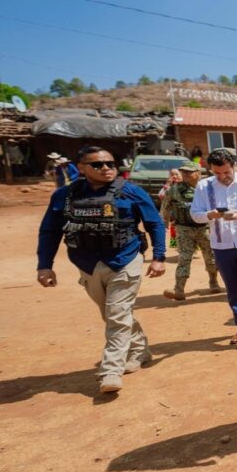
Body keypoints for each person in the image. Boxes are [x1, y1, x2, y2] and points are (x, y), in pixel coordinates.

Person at [36, 146, 167, 394]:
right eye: (97, 164)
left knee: (117, 314)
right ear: (81, 168)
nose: (106, 168)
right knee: (113, 313)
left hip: (125, 260)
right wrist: (45, 265)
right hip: (86, 265)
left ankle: (111, 371)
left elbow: (154, 224)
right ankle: (140, 350)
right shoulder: (65, 196)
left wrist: (158, 257)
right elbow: (49, 231)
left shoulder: (131, 192)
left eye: (110, 163)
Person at [190, 148, 237, 346]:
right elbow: (195, 214)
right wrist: (210, 214)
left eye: (226, 172)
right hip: (221, 245)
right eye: (217, 173)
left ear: (235, 166)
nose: (222, 176)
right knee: (233, 289)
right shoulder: (204, 186)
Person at [160, 162, 220, 300]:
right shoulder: (174, 190)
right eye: (183, 172)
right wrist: (163, 224)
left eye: (189, 172)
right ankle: (179, 289)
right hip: (184, 229)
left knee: (211, 258)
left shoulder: (207, 188)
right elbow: (165, 208)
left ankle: (213, 281)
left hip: (205, 228)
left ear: (198, 173)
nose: (185, 174)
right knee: (184, 259)